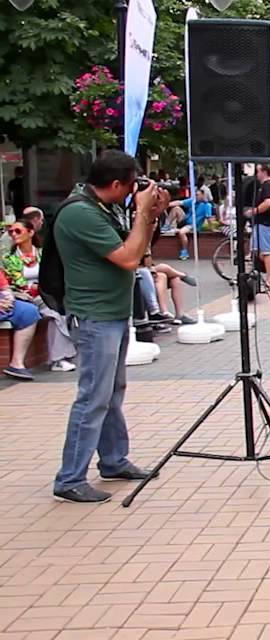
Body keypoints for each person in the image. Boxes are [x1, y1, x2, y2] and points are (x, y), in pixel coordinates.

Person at [52, 149, 158, 502]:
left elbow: (140, 251)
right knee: (93, 397)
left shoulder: (103, 207)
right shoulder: (80, 213)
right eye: (130, 187)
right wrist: (142, 211)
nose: (133, 193)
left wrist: (151, 216)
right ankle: (70, 478)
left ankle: (113, 460)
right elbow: (128, 259)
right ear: (115, 184)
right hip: (94, 316)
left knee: (112, 393)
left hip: (112, 312)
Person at [3, 218, 77, 372]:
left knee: (59, 313)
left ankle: (60, 358)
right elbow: (7, 283)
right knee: (51, 313)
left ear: (30, 232)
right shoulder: (8, 259)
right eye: (11, 232)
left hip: (43, 295)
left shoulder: (43, 254)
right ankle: (60, 358)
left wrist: (42, 287)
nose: (14, 235)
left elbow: (53, 275)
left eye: (18, 231)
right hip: (21, 296)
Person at [244, 164, 270, 285]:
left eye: (257, 172)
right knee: (256, 250)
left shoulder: (268, 186)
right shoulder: (267, 186)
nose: (256, 175)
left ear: (264, 172)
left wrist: (254, 211)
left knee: (265, 251)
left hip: (265, 222)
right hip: (262, 222)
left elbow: (268, 202)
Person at [166, 189, 213, 260]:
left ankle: (184, 251)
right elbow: (179, 202)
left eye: (197, 195)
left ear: (202, 195)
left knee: (181, 232)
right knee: (176, 209)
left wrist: (211, 228)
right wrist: (167, 204)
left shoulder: (207, 206)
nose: (196, 196)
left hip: (193, 225)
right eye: (195, 195)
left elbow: (209, 218)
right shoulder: (193, 201)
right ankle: (166, 226)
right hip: (186, 220)